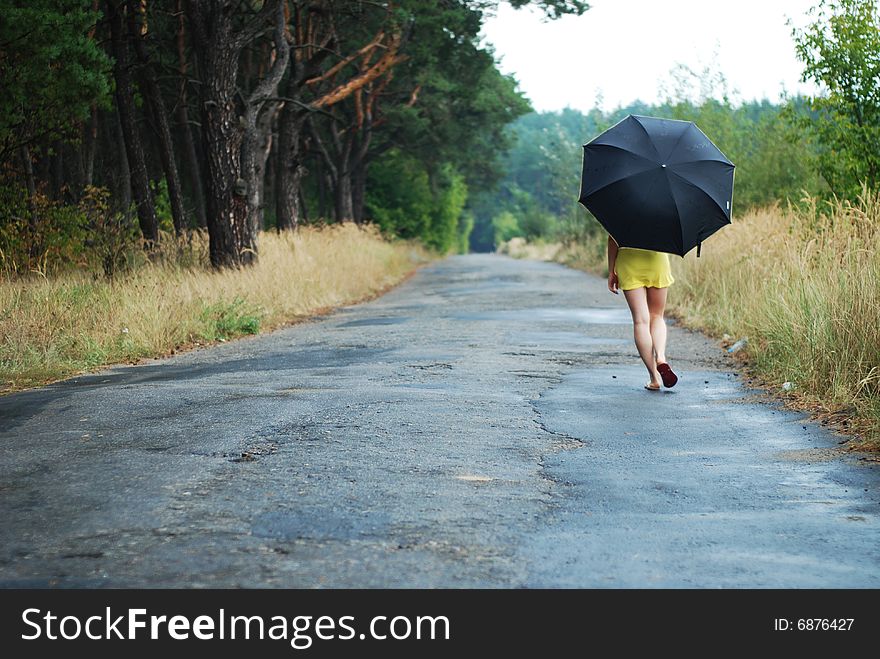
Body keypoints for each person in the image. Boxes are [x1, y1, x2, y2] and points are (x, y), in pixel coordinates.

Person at [606, 236, 678, 391]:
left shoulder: (621, 211)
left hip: (629, 263)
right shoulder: (664, 211)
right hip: (657, 261)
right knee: (657, 316)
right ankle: (661, 357)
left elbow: (613, 240)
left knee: (641, 321)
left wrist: (611, 270)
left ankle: (654, 378)